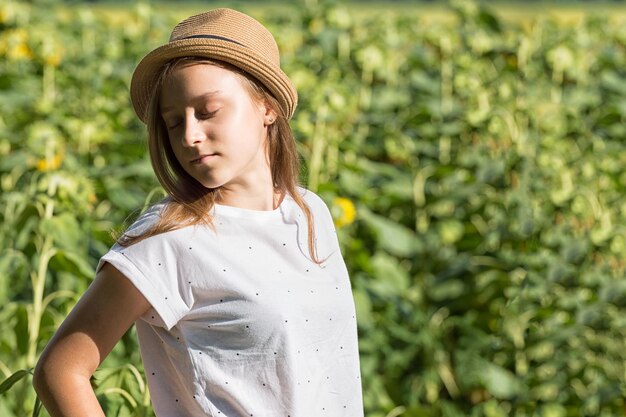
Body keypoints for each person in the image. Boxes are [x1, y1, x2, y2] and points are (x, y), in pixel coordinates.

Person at [33, 8, 364, 417]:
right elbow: (60, 370)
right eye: (173, 123)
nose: (190, 136)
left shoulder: (309, 212)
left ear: (267, 107)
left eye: (208, 111)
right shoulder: (169, 237)